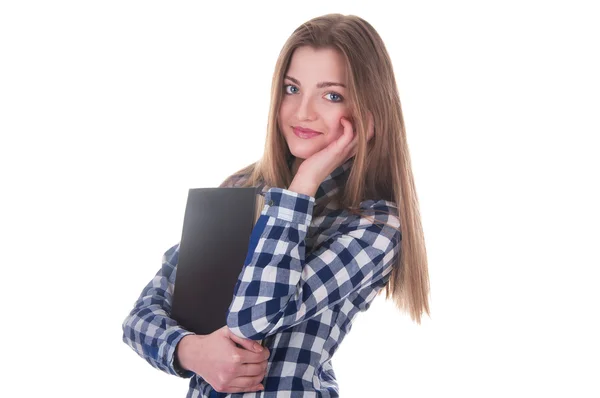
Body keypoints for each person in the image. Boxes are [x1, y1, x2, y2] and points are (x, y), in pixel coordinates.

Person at [122, 13, 430, 398]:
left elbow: (254, 319)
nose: (303, 112)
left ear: (369, 115)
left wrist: (303, 186)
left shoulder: (375, 224)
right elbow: (141, 317)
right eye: (291, 88)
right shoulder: (242, 187)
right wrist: (192, 350)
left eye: (331, 95)